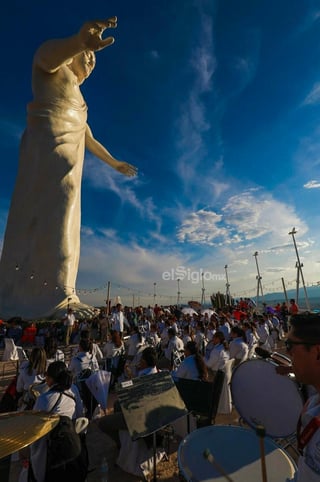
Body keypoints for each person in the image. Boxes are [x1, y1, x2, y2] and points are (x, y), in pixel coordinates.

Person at [0, 18, 137, 319]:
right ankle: (55, 297)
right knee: (55, 212)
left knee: (67, 221)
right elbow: (45, 57)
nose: (91, 60)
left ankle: (61, 291)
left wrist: (114, 162)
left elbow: (89, 138)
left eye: (94, 60)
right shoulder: (51, 71)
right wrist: (78, 42)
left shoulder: (80, 100)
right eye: (87, 55)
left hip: (70, 164)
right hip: (46, 157)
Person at [29, 361, 84, 481]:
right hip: (71, 444)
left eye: (47, 376)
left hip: (50, 448)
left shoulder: (43, 399)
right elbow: (80, 414)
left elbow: (34, 427)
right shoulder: (73, 391)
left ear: (51, 379)